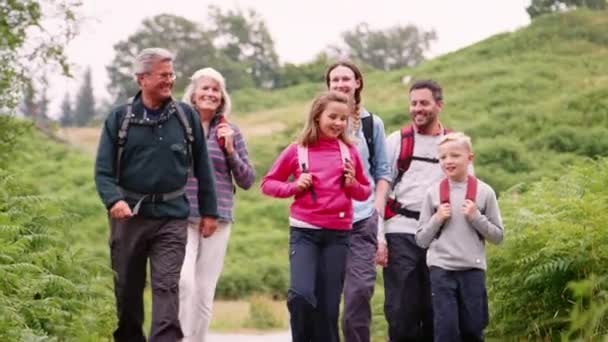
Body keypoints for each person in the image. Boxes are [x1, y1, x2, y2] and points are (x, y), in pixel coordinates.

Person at [94, 47, 218, 342]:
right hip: (129, 219)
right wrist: (114, 200)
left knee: (167, 287)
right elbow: (103, 171)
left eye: (172, 74)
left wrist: (209, 212)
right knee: (127, 291)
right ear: (142, 78)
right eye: (163, 75)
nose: (170, 81)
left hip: (172, 217)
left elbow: (203, 166)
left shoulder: (186, 117)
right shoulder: (119, 119)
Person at [261, 91, 371, 342]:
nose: (338, 123)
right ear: (317, 116)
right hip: (304, 233)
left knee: (329, 308)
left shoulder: (350, 152)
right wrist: (294, 186)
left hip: (338, 235)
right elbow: (268, 184)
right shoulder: (297, 150)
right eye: (333, 116)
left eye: (343, 119)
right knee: (301, 296)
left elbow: (364, 192)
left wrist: (352, 184)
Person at [178, 67, 255, 341]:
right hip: (181, 215)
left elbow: (247, 179)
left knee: (204, 290)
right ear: (193, 94)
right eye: (205, 88)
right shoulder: (179, 125)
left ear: (221, 97)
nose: (210, 94)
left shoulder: (231, 131)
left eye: (215, 90)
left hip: (219, 217)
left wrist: (230, 149)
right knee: (183, 282)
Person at [380, 80, 454, 341]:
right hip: (400, 232)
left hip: (441, 236)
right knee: (401, 311)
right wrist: (379, 238)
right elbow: (380, 191)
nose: (417, 109)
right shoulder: (396, 141)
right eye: (413, 103)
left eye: (424, 103)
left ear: (439, 105)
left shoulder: (453, 143)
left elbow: (467, 191)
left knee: (438, 311)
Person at [325, 61, 391, 342]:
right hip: (325, 223)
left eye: (346, 79)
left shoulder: (370, 123)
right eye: (334, 80)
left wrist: (377, 211)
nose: (340, 84)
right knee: (324, 301)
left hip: (362, 221)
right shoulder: (319, 123)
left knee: (358, 295)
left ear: (357, 83)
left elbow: (383, 173)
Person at [416, 132, 504, 342]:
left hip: (472, 271)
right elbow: (421, 240)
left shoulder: (485, 192)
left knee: (473, 330)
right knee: (445, 331)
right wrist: (437, 219)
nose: (448, 161)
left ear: (469, 158)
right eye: (443, 157)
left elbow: (498, 236)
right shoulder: (433, 193)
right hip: (441, 271)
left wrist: (476, 217)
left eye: (455, 155)